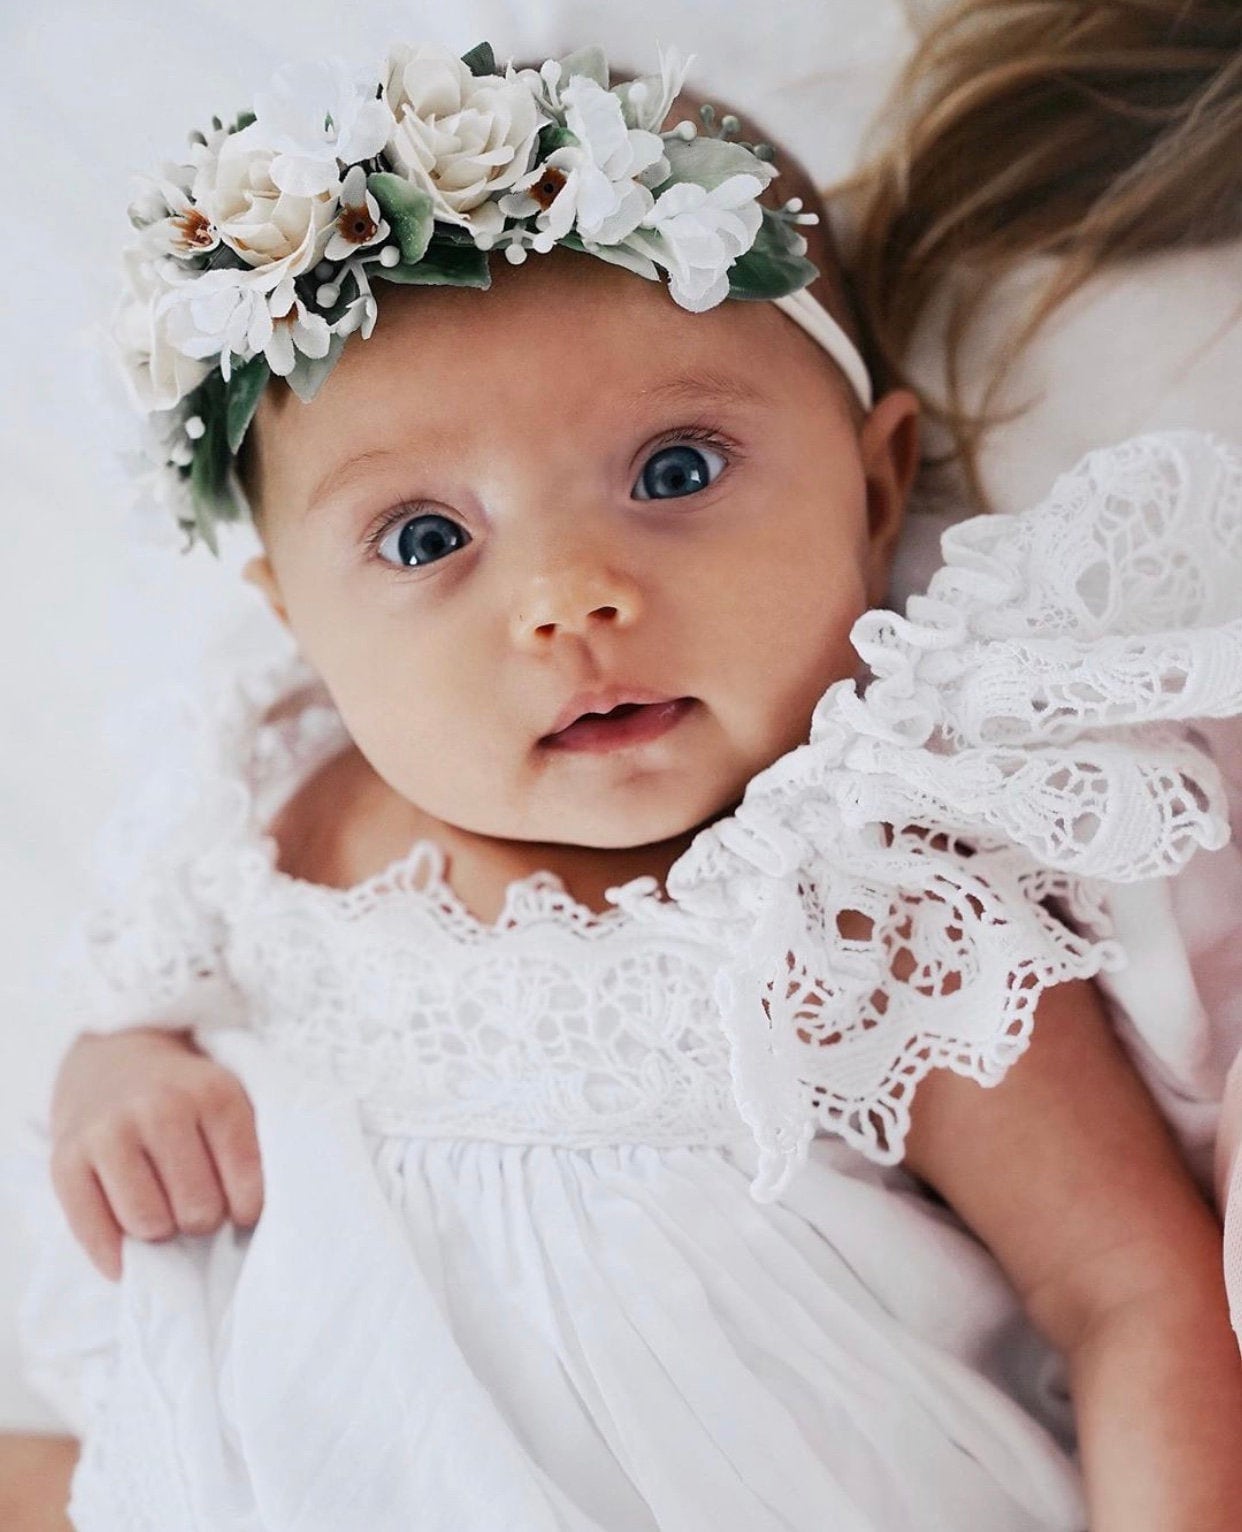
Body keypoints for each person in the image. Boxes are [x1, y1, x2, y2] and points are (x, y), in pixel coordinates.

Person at [3, 35, 1242, 1532]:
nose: (565, 599)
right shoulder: (284, 805)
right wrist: (124, 1089)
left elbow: (1127, 1294)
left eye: (672, 471)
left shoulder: (865, 903)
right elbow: (127, 1020)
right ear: (298, 622)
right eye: (421, 540)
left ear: (872, 484)